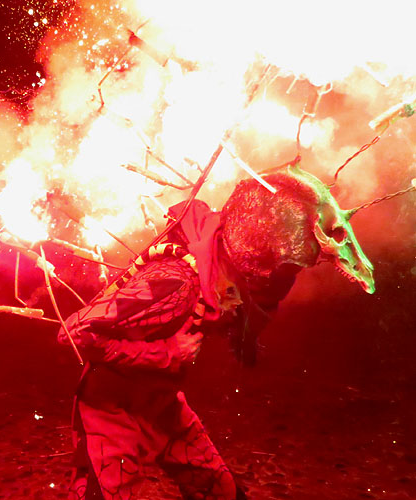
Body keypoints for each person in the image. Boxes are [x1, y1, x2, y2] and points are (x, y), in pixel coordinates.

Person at [58, 167, 374, 499]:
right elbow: (73, 331)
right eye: (289, 267)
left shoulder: (219, 272)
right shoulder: (173, 282)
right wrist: (167, 353)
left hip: (162, 407)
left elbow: (244, 310)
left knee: (221, 492)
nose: (286, 275)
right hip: (111, 414)